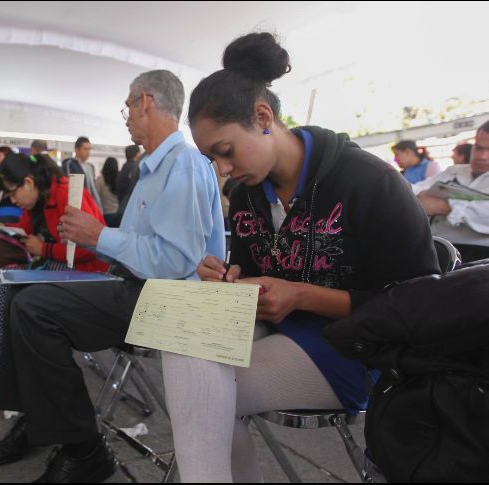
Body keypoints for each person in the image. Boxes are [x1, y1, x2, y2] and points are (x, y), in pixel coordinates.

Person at [160, 32, 441, 483]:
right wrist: (232, 280)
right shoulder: (250, 194)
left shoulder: (370, 181)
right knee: (185, 338)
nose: (224, 170)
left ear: (263, 116)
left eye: (226, 152)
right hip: (281, 332)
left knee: (203, 393)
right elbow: (259, 273)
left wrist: (304, 297)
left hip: (358, 347)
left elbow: (419, 304)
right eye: (214, 160)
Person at [0, 69, 225, 483]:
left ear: (146, 100)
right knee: (18, 298)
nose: (126, 114)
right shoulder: (157, 166)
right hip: (141, 288)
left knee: (35, 310)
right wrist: (95, 236)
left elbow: (173, 262)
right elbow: (149, 244)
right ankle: (38, 420)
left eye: (128, 104)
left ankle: (85, 450)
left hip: (168, 302)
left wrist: (100, 235)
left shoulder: (183, 164)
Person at [0, 152, 109, 412]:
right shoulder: (39, 200)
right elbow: (27, 227)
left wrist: (44, 249)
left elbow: (93, 248)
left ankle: (16, 379)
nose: (13, 200)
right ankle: (4, 376)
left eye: (13, 192)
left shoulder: (66, 194)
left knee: (4, 294)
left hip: (88, 275)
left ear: (29, 183)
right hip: (61, 267)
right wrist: (3, 228)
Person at [412, 122, 489, 262]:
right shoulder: (453, 172)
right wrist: (420, 198)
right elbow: (416, 189)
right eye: (478, 148)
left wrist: (443, 206)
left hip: (479, 257)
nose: (482, 156)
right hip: (431, 247)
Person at [62, 136, 104, 212]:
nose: (88, 152)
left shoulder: (90, 167)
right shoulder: (70, 164)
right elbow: (68, 186)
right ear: (77, 150)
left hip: (90, 204)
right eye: (85, 149)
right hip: (77, 205)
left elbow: (92, 187)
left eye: (89, 149)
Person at [115, 144, 141, 215]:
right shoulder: (136, 169)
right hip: (130, 208)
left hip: (122, 206)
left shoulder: (124, 168)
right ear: (137, 154)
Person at [94, 157, 120, 227]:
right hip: (119, 214)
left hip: (106, 214)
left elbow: (95, 196)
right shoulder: (119, 179)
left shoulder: (100, 180)